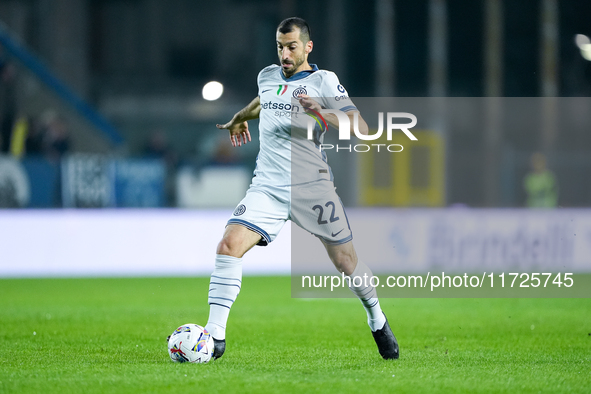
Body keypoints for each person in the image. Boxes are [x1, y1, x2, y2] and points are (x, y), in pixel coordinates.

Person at [207, 17, 399, 360]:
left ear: (308, 47)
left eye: (292, 46)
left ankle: (377, 318)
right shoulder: (267, 76)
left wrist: (323, 112)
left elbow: (362, 127)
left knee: (346, 262)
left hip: (313, 188)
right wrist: (239, 117)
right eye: (280, 46)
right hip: (267, 187)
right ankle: (214, 338)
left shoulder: (324, 81)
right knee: (228, 245)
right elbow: (263, 102)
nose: (285, 53)